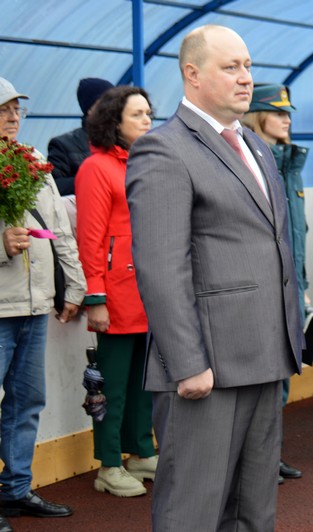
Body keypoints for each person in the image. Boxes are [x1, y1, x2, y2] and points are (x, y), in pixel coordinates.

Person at [125, 25, 303, 530]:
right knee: (193, 512)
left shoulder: (256, 145)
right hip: (206, 368)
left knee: (252, 511)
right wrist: (187, 364)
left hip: (266, 357)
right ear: (192, 74)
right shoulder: (163, 149)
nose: (246, 78)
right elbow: (162, 266)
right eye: (231, 67)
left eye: (247, 66)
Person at [0, 77, 86, 528]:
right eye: (4, 110)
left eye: (17, 110)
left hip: (34, 307)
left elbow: (59, 230)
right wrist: (1, 245)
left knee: (27, 401)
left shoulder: (32, 161)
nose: (13, 118)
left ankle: (14, 490)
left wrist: (73, 287)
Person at [75, 86, 157, 498]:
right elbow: (90, 239)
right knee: (111, 385)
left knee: (146, 381)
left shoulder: (146, 163)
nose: (147, 121)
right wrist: (96, 298)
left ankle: (141, 452)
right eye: (138, 114)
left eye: (148, 114)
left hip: (150, 292)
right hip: (116, 295)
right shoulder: (96, 167)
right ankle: (109, 465)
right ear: (114, 122)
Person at [241, 82, 307, 483]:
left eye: (288, 113)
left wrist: (301, 283)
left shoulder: (289, 162)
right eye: (278, 111)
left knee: (280, 378)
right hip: (263, 287)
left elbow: (296, 233)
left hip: (290, 284)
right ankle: (255, 461)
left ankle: (269, 454)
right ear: (257, 115)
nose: (287, 118)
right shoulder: (249, 160)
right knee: (261, 380)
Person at [47, 78, 114, 196]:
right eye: (107, 102)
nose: (114, 108)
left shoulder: (125, 139)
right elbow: (53, 186)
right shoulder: (64, 144)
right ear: (90, 109)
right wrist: (92, 180)